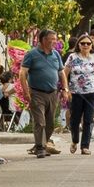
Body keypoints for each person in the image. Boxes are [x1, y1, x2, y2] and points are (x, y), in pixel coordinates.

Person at [19, 30, 67, 158]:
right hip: (36, 93)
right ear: (44, 40)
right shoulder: (32, 54)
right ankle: (40, 147)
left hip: (52, 93)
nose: (55, 42)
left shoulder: (56, 54)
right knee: (40, 122)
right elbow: (22, 73)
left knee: (50, 123)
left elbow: (61, 73)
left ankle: (41, 144)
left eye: (55, 39)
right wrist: (25, 91)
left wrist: (65, 89)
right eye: (52, 39)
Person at [62, 34, 94, 155]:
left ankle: (85, 146)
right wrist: (65, 89)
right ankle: (75, 140)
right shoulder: (72, 57)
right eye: (83, 43)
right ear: (78, 45)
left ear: (91, 45)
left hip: (92, 92)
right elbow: (64, 74)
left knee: (88, 119)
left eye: (88, 43)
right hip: (76, 93)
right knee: (75, 119)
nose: (85, 45)